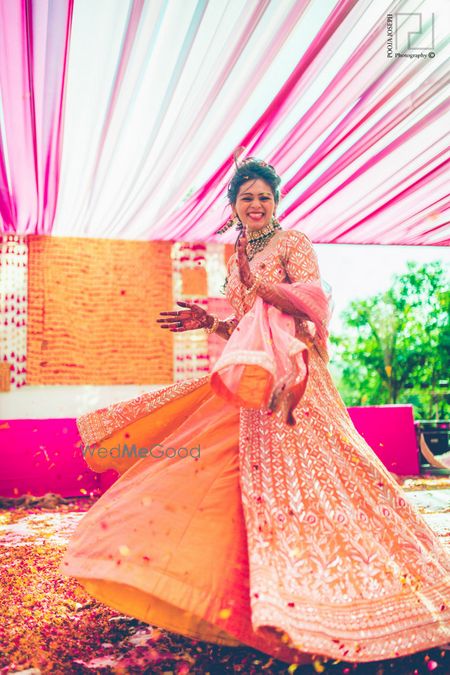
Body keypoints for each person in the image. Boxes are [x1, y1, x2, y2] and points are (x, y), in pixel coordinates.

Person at [60, 155, 450, 666]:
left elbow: (310, 305)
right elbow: (243, 324)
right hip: (252, 384)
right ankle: (237, 597)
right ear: (233, 206)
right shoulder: (236, 254)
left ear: (277, 202)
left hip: (296, 381)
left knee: (325, 479)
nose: (257, 204)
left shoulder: (294, 243)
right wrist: (208, 320)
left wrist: (258, 280)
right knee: (225, 479)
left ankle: (345, 590)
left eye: (265, 196)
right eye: (247, 197)